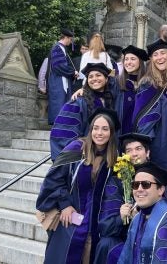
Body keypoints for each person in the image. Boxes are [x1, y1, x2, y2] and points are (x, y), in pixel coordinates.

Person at [37, 108, 120, 264]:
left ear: (111, 133)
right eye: (95, 128)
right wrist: (65, 204)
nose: (99, 133)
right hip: (69, 221)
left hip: (93, 226)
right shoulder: (76, 148)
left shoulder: (114, 158)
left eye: (104, 129)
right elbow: (53, 179)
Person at [93, 132, 152, 264]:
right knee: (105, 243)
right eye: (128, 150)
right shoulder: (117, 182)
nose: (134, 154)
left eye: (138, 149)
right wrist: (121, 217)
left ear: (147, 153)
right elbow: (104, 226)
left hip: (152, 238)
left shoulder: (161, 178)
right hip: (124, 239)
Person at [50, 63, 114, 160]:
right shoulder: (78, 102)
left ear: (106, 79)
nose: (94, 79)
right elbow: (63, 134)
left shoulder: (111, 100)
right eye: (90, 76)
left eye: (98, 75)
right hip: (85, 157)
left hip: (105, 156)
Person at [133, 39, 167, 172]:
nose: (159, 57)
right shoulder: (147, 85)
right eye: (155, 55)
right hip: (158, 140)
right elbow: (141, 118)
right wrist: (145, 145)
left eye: (162, 53)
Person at [115, 46, 149, 134]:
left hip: (140, 134)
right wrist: (83, 89)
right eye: (126, 59)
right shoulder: (116, 82)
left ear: (140, 62)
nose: (128, 62)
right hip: (119, 134)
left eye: (133, 59)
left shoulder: (147, 85)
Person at [47, 28, 77, 125]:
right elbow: (59, 66)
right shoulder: (57, 48)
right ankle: (57, 125)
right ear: (67, 38)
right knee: (58, 102)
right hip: (57, 80)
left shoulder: (62, 48)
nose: (70, 42)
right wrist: (73, 72)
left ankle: (61, 124)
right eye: (70, 40)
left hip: (61, 80)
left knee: (62, 102)